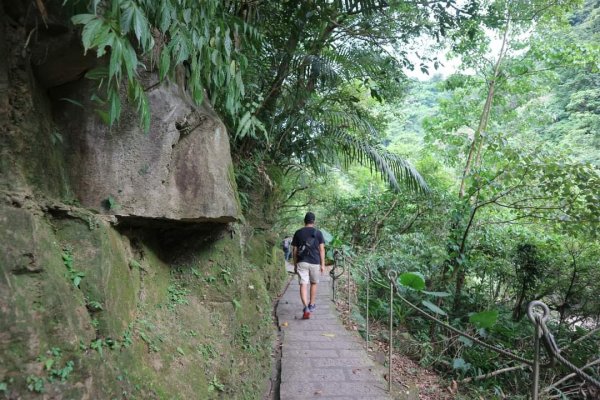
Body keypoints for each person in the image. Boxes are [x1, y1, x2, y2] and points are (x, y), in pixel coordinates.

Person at [292, 212, 325, 319]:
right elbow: (321, 250)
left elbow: (294, 250)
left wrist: (295, 264)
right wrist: (323, 264)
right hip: (315, 262)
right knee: (314, 283)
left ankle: (305, 307)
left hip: (302, 261)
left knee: (303, 284)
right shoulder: (318, 233)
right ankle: (311, 304)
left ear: (304, 221)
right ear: (313, 221)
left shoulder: (298, 233)